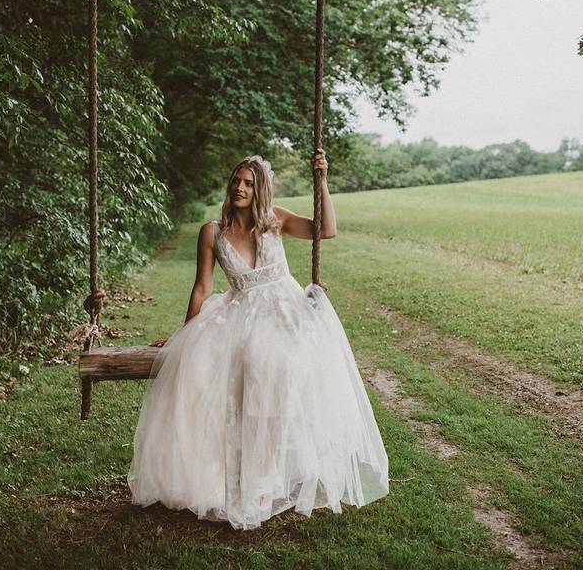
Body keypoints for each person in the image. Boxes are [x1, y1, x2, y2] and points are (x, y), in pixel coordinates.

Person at [127, 149, 389, 531]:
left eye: (249, 183)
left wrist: (322, 181)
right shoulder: (211, 232)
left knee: (266, 367)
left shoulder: (275, 221)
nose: (240, 187)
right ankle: (232, 472)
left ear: (260, 188)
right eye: (236, 180)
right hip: (239, 311)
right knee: (213, 369)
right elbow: (202, 288)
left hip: (284, 311)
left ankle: (263, 478)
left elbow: (326, 229)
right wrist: (183, 336)